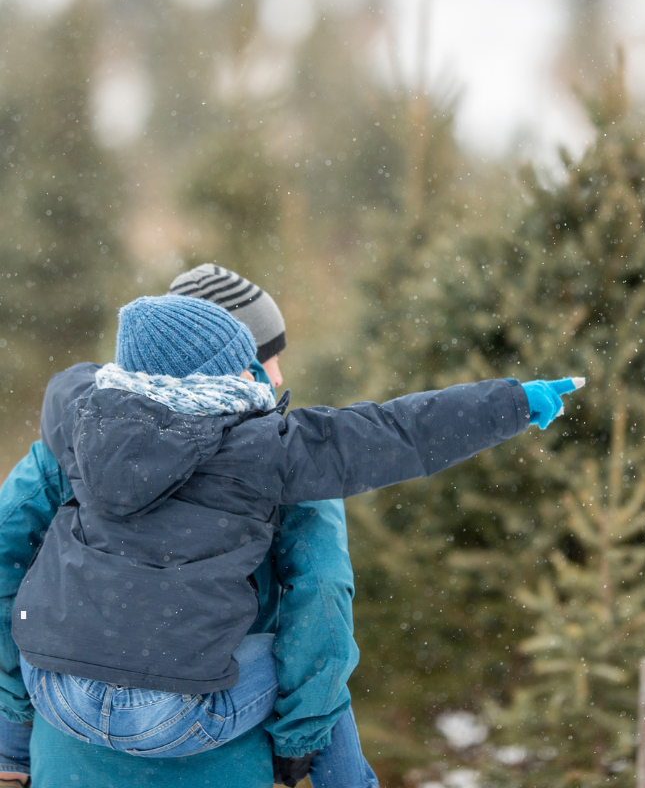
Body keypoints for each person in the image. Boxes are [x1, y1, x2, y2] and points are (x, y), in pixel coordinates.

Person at [0, 271, 375, 788]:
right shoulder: (285, 458)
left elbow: (6, 555)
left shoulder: (75, 438)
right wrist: (298, 745)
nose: (279, 372)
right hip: (218, 748)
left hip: (66, 743)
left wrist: (16, 710)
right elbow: (322, 602)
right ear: (227, 365)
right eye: (267, 355)